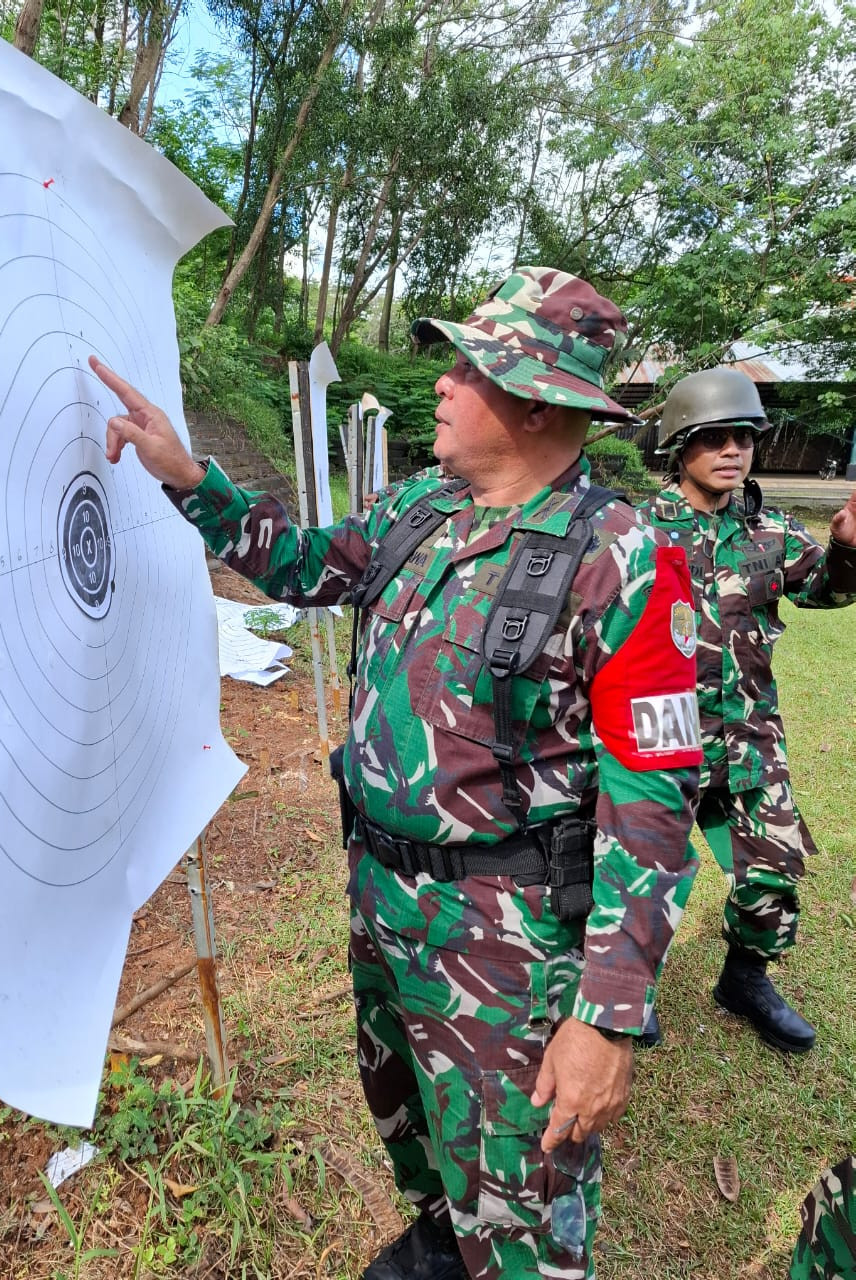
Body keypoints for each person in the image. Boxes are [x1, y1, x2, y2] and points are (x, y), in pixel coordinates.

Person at [89, 266, 703, 1280]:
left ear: (543, 397)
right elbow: (302, 562)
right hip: (382, 898)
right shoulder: (424, 503)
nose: (444, 384)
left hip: (508, 940)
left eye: (473, 367)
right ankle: (439, 1233)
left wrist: (605, 1016)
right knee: (410, 1109)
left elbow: (654, 804)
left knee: (523, 1189)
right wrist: (190, 477)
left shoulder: (623, 558)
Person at [638, 367, 856, 1054]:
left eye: (745, 437)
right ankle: (630, 988)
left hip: (747, 739)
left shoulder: (768, 530)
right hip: (661, 740)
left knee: (771, 872)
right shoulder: (636, 530)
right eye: (714, 438)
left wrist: (848, 549)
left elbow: (823, 591)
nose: (733, 450)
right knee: (643, 878)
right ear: (679, 445)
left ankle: (744, 978)